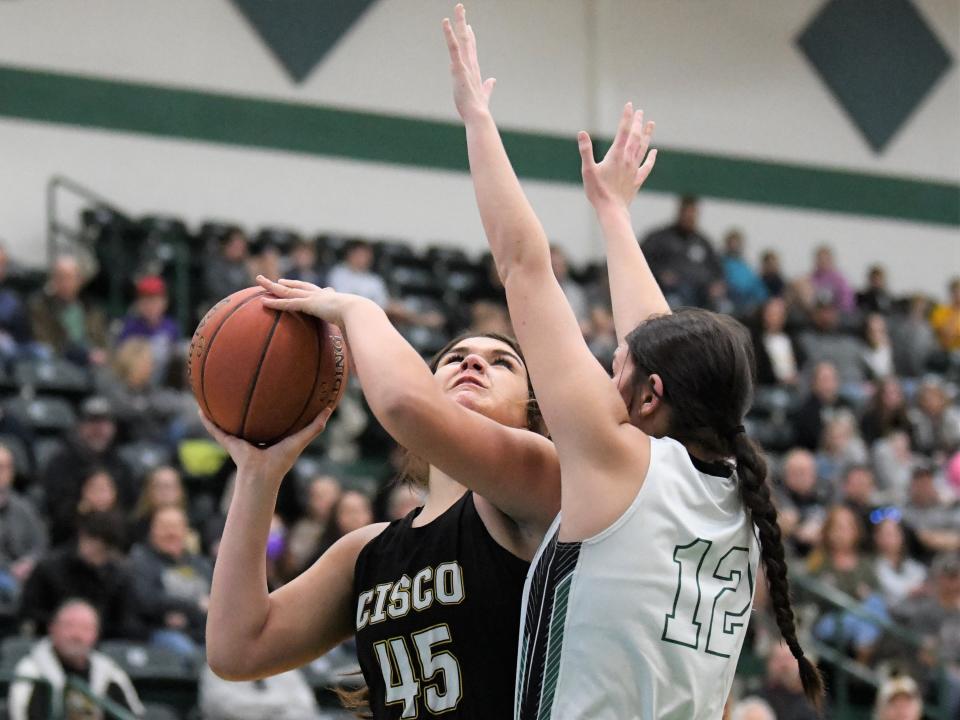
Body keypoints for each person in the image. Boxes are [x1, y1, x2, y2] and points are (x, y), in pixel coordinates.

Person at [442, 6, 821, 717]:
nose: (606, 367)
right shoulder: (740, 498)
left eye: (616, 363)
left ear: (650, 396)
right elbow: (658, 341)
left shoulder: (621, 462)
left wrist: (476, 119)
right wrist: (612, 213)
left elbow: (524, 266)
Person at [205, 243, 561, 720]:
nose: (473, 364)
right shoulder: (367, 552)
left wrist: (355, 307)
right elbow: (236, 650)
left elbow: (403, 405)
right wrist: (258, 473)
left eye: (502, 363)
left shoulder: (541, 485)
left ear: (531, 414)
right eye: (454, 359)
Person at [8, 599, 144, 720]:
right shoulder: (31, 671)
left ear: (96, 634)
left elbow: (132, 713)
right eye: (69, 626)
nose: (77, 635)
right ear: (52, 628)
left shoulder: (110, 672)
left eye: (86, 628)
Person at [19, 511, 140, 640]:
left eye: (105, 552)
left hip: (102, 643)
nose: (99, 558)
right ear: (83, 537)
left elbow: (125, 621)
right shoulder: (49, 568)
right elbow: (30, 611)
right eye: (96, 548)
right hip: (50, 641)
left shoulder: (118, 575)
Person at [40, 396, 138, 529]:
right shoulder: (61, 463)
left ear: (113, 427)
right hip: (70, 536)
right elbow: (56, 510)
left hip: (116, 537)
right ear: (79, 426)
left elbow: (130, 508)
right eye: (92, 422)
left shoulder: (121, 465)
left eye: (104, 422)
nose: (98, 429)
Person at [129, 506, 212, 660]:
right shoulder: (142, 559)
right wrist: (194, 606)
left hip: (199, 632)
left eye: (176, 527)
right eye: (164, 527)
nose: (171, 533)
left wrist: (185, 614)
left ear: (186, 531)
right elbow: (147, 599)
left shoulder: (201, 565)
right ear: (152, 531)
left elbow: (214, 605)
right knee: (185, 651)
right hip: (157, 632)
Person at [640, 194, 723, 308]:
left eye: (693, 213)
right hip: (670, 292)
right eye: (686, 212)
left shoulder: (703, 242)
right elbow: (642, 261)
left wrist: (717, 284)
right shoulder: (659, 238)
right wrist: (660, 274)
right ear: (679, 212)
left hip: (702, 294)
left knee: (724, 308)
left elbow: (717, 270)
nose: (689, 217)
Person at [29, 254, 109, 366]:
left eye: (70, 277)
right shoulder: (41, 307)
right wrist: (82, 355)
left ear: (80, 280)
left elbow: (103, 342)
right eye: (60, 277)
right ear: (53, 279)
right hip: (61, 366)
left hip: (95, 366)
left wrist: (102, 354)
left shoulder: (91, 309)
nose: (65, 283)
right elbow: (45, 343)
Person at [0, 443, 47, 602]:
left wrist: (29, 562)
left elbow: (40, 546)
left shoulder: (25, 509)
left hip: (21, 578)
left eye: (5, 467)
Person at [115, 275, 179, 384]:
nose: (150, 306)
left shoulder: (171, 327)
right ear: (139, 303)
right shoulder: (129, 328)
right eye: (146, 301)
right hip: (136, 385)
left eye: (155, 300)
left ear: (164, 302)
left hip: (164, 383)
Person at [199, 664, 320, 720]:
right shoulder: (217, 669)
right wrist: (280, 706)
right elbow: (229, 709)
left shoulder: (284, 668)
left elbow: (306, 705)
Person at [757, 642, 821, 720]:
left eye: (788, 659)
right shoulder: (758, 696)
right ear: (769, 663)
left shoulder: (813, 698)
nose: (784, 665)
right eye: (778, 659)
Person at [721, 229, 767, 313]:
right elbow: (734, 285)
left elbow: (756, 285)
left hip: (750, 302)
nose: (735, 246)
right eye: (732, 243)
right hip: (732, 303)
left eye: (737, 243)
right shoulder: (721, 263)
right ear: (727, 244)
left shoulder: (745, 265)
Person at [204, 227, 254, 304]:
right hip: (219, 305)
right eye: (236, 246)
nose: (240, 250)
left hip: (242, 303)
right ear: (226, 245)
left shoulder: (245, 265)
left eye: (242, 246)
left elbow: (251, 288)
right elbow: (217, 290)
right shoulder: (216, 264)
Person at [929, 276, 960, 352]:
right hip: (947, 353)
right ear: (951, 293)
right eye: (956, 292)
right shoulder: (940, 311)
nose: (958, 295)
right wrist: (955, 312)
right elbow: (947, 337)